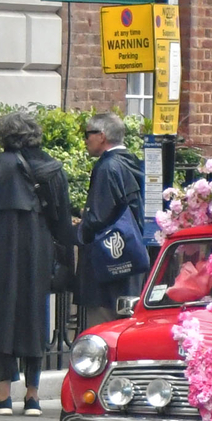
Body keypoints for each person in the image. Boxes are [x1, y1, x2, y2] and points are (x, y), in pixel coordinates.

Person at [0, 111, 70, 415]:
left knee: (1, 313)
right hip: (39, 247)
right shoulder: (53, 167)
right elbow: (62, 218)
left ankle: (3, 395)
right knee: (34, 315)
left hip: (1, 245)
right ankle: (34, 396)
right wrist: (64, 259)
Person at [78, 113, 150, 323]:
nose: (85, 140)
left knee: (103, 335)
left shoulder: (107, 167)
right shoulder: (133, 162)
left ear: (101, 136)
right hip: (132, 261)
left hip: (107, 269)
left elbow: (99, 217)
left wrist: (81, 228)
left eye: (88, 134)